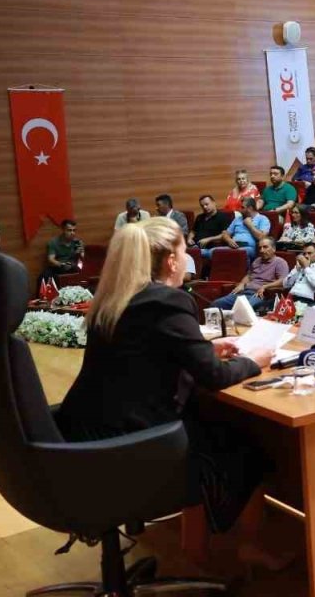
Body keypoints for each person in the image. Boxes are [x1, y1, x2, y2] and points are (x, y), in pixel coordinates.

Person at [54, 217, 282, 557]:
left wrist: (205, 350)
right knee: (249, 452)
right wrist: (256, 361)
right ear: (173, 261)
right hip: (137, 443)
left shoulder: (114, 297)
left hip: (86, 435)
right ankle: (245, 552)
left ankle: (196, 548)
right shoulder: (167, 301)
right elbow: (214, 378)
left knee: (212, 430)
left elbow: (143, 356)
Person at [211, 238, 289, 311]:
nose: (261, 250)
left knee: (244, 308)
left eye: (265, 247)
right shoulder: (257, 260)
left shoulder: (280, 262)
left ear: (274, 249)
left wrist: (266, 286)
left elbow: (283, 280)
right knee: (216, 304)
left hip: (260, 295)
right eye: (260, 248)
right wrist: (241, 284)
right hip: (245, 292)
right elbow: (248, 275)